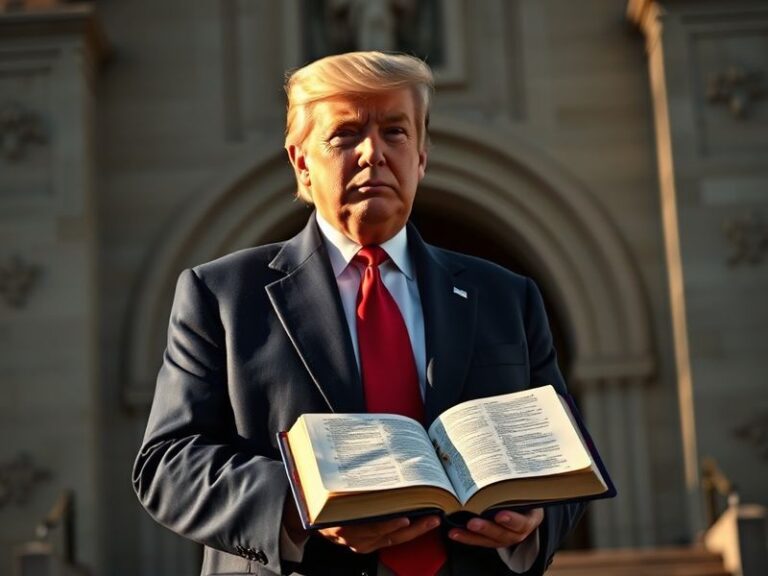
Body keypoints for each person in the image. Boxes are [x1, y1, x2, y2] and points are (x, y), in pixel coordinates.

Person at [133, 51, 584, 576]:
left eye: (395, 132)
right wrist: (303, 504)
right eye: (345, 135)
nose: (374, 153)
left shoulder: (506, 296)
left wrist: (535, 518)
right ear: (302, 161)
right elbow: (168, 463)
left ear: (421, 157)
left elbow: (566, 454)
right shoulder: (221, 296)